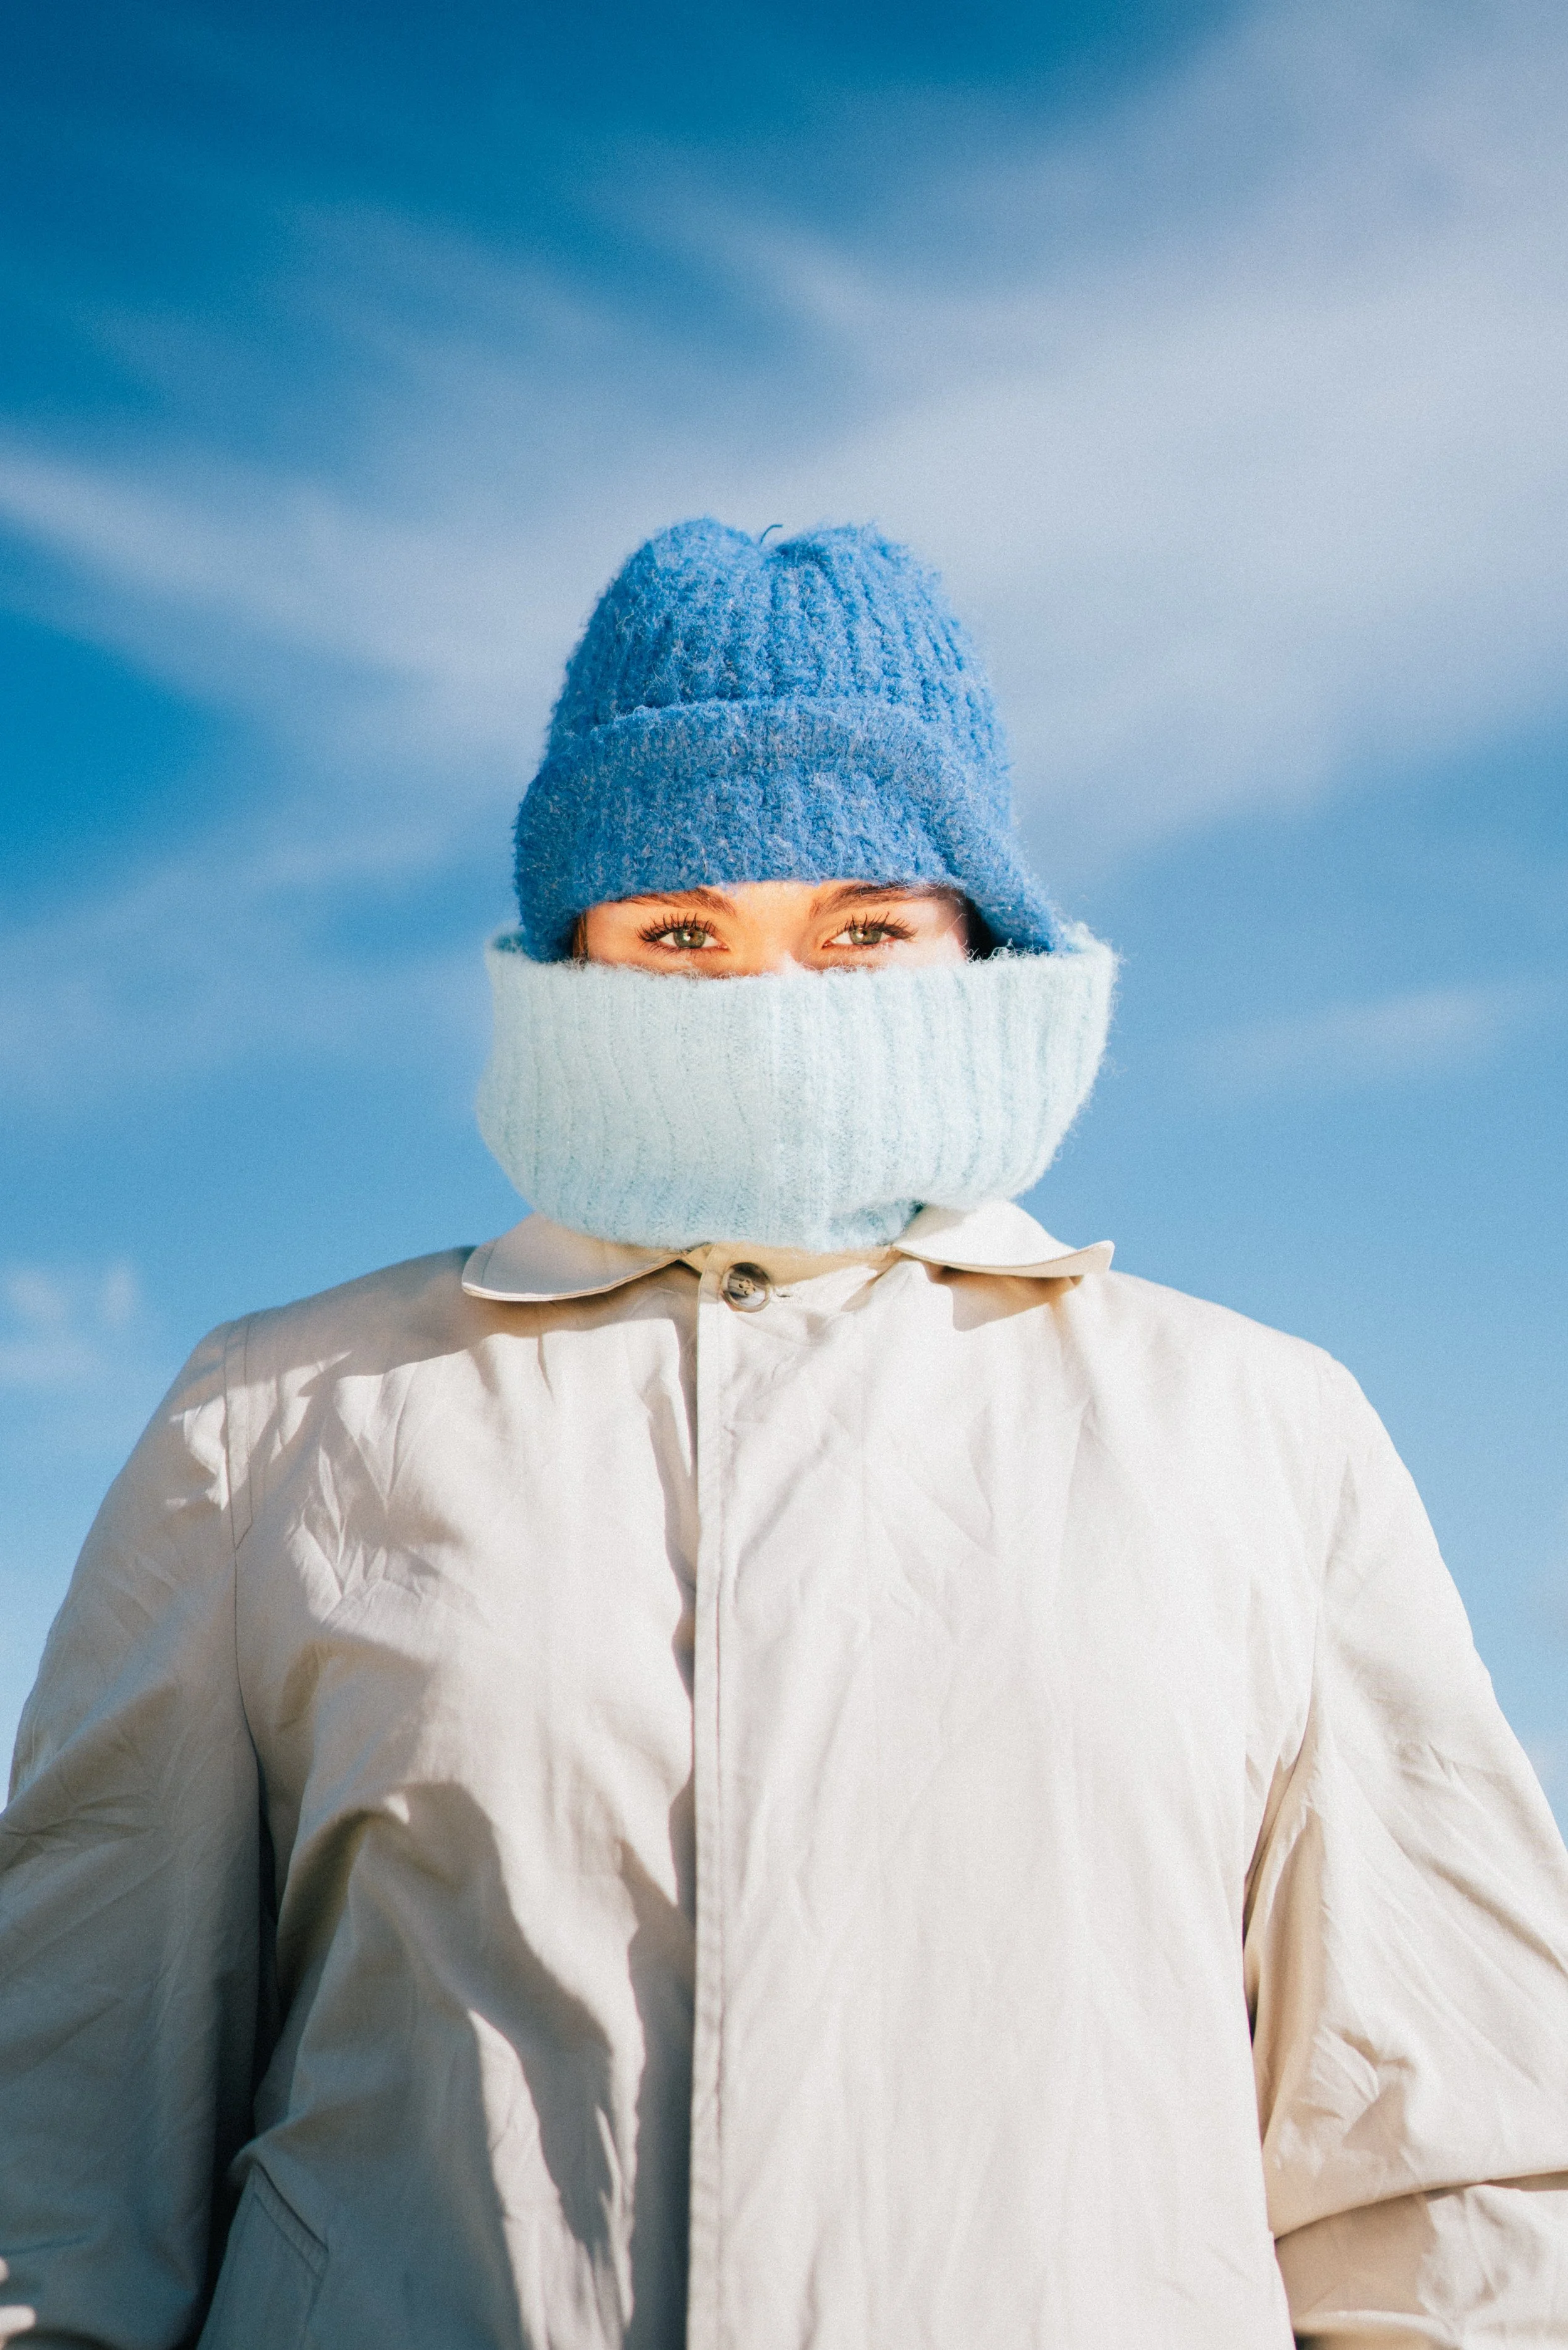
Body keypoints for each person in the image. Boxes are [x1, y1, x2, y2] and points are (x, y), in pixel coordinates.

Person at [2, 519, 1567, 2350]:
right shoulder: (278, 1419)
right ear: (566, 960)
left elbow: (1439, 2177)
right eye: (679, 932)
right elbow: (62, 2159)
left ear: (976, 948)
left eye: (861, 931)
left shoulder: (1255, 1434)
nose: (771, 1009)